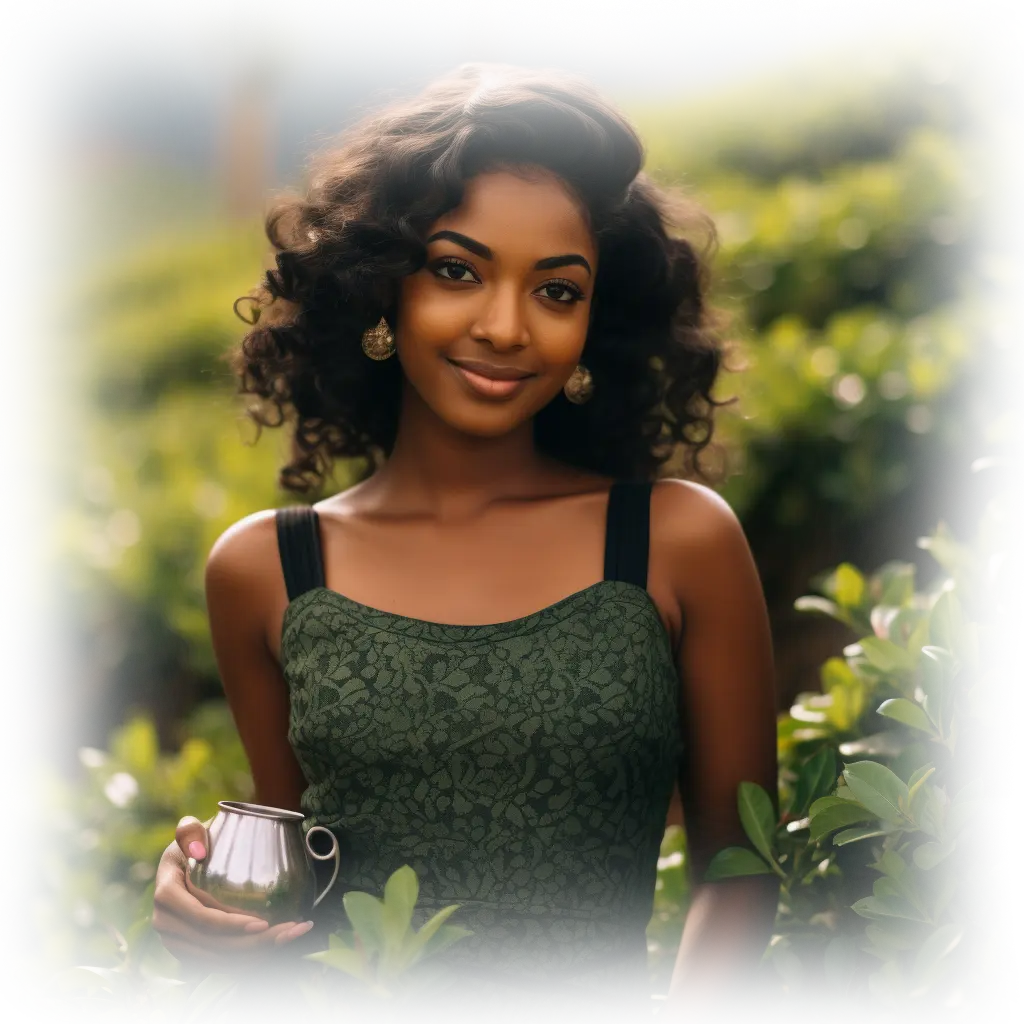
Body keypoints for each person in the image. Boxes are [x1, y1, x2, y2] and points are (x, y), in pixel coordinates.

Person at [151, 61, 779, 1024]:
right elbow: (286, 870)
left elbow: (739, 874)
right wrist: (203, 905)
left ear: (593, 325)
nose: (503, 326)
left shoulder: (675, 541)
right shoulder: (265, 568)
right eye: (457, 270)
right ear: (382, 291)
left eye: (557, 291)